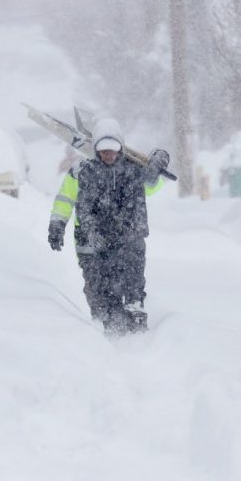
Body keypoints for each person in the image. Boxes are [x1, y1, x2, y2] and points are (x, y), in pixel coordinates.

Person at [47, 118, 170, 334]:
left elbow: (152, 186)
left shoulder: (133, 171)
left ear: (121, 148)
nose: (109, 155)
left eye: (112, 150)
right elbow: (65, 200)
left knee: (131, 277)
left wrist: (157, 167)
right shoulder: (81, 172)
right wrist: (57, 224)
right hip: (90, 242)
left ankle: (134, 314)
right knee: (99, 291)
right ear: (95, 149)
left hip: (126, 239)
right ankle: (106, 329)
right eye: (103, 151)